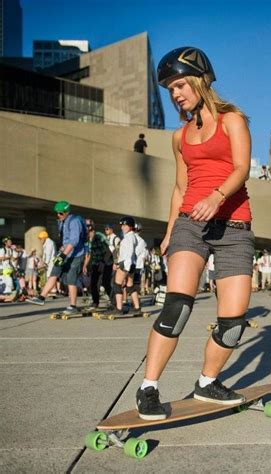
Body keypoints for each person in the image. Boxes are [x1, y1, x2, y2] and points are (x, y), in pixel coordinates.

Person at [135, 46, 255, 420]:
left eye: (181, 84)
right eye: (170, 89)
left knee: (233, 323)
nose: (176, 93)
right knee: (178, 305)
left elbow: (241, 169)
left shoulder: (232, 120)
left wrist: (218, 196)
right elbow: (179, 188)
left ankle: (208, 381)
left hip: (234, 225)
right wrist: (171, 231)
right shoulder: (180, 137)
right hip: (191, 223)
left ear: (201, 81)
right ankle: (148, 388)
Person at [26, 201, 87, 315]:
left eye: (60, 213)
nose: (58, 215)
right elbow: (66, 240)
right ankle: (41, 298)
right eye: (57, 213)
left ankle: (72, 306)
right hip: (65, 253)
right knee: (54, 272)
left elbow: (74, 240)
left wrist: (63, 255)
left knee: (71, 279)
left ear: (67, 212)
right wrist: (62, 252)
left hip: (76, 255)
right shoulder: (62, 222)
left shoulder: (74, 222)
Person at [110, 216, 139, 315]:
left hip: (126, 263)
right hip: (131, 264)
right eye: (122, 225)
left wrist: (125, 266)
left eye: (124, 225)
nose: (122, 227)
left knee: (117, 284)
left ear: (130, 226)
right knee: (130, 286)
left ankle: (118, 308)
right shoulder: (131, 236)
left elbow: (129, 252)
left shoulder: (129, 237)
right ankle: (137, 307)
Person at [83, 220, 113, 309]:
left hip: (106, 263)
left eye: (87, 226)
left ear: (91, 227)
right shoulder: (86, 239)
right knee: (93, 283)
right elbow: (88, 254)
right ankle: (95, 302)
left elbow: (108, 251)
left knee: (105, 283)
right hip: (95, 263)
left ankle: (114, 302)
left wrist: (103, 263)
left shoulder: (99, 236)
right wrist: (85, 265)